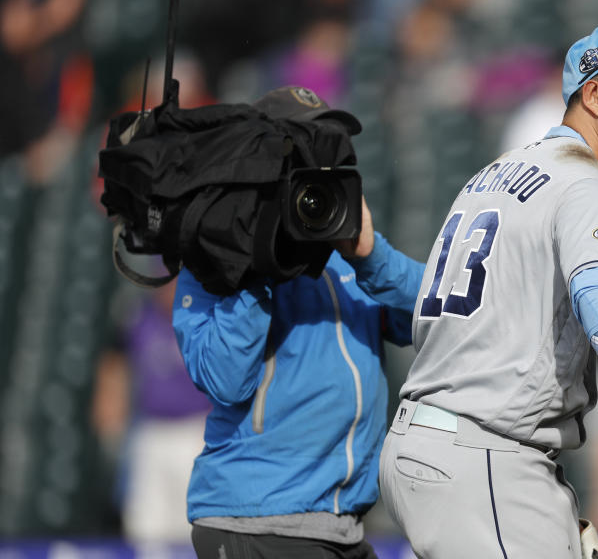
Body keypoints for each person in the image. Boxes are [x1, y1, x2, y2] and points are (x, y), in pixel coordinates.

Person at [378, 23, 598, 558]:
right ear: (593, 94)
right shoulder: (585, 184)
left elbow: (433, 298)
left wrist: (370, 254)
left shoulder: (493, 175)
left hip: (435, 445)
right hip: (485, 453)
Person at [171, 87, 426, 559]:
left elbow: (437, 318)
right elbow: (225, 380)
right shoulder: (215, 260)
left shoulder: (346, 255)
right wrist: (258, 266)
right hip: (256, 522)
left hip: (339, 526)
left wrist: (373, 258)